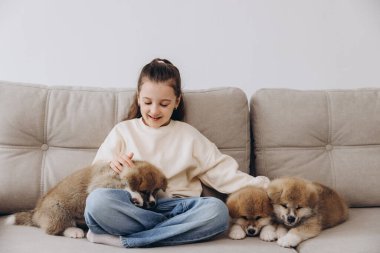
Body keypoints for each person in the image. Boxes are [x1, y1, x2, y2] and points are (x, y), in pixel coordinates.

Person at [84, 58, 270, 248]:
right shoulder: (122, 131)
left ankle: (127, 239)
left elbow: (224, 173)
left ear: (176, 101)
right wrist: (112, 167)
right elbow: (94, 179)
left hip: (178, 208)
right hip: (135, 206)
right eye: (148, 102)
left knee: (217, 211)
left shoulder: (188, 135)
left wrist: (267, 187)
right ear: (138, 97)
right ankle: (169, 232)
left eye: (164, 104)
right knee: (97, 203)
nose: (154, 110)